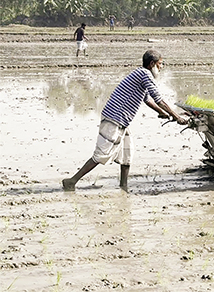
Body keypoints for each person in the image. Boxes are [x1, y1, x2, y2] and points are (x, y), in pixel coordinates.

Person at [62, 50, 188, 191]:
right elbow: (158, 99)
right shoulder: (145, 74)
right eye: (160, 64)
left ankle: (124, 186)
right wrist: (177, 117)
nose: (161, 67)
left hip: (122, 120)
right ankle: (71, 181)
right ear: (152, 64)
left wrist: (163, 113)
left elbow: (147, 99)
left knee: (127, 154)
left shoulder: (140, 73)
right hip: (114, 118)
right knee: (101, 154)